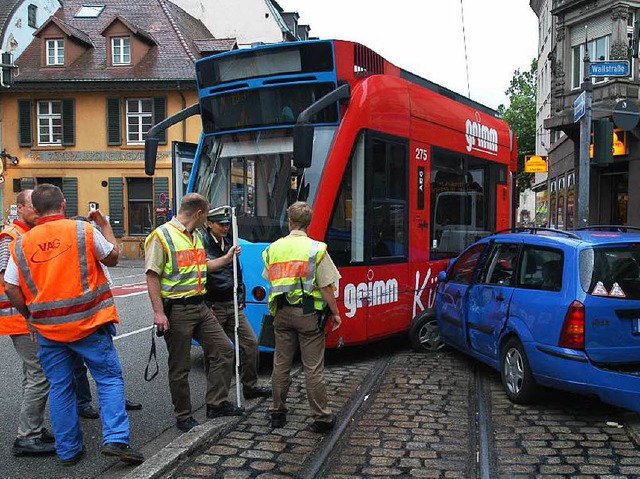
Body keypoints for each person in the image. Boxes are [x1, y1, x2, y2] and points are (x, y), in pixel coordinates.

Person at [4, 184, 144, 467]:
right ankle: (116, 439)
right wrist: (105, 226)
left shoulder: (20, 243)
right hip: (89, 323)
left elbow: (10, 286)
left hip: (48, 330)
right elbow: (113, 258)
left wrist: (30, 316)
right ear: (63, 204)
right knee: (108, 379)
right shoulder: (83, 231)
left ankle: (68, 450)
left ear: (37, 209)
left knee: (60, 387)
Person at [144, 193, 244, 433]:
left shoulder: (195, 236)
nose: (206, 221)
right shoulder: (162, 236)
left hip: (201, 306)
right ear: (199, 214)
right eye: (206, 216)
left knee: (224, 350)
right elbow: (151, 275)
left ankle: (216, 403)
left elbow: (202, 265)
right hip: (177, 310)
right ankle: (183, 415)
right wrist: (159, 313)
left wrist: (226, 258)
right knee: (180, 367)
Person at [262, 201, 342, 432]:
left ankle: (277, 413)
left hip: (282, 313)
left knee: (281, 364)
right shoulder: (316, 249)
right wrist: (336, 314)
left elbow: (270, 278)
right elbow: (327, 287)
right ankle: (322, 418)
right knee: (313, 368)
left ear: (289, 221)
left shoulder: (272, 249)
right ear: (309, 223)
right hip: (308, 315)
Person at [0, 189, 55, 456]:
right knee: (40, 374)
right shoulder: (11, 236)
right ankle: (27, 436)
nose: (37, 210)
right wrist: (30, 315)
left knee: (31, 375)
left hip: (22, 316)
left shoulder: (26, 234)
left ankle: (33, 427)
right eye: (33, 205)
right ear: (20, 208)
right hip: (20, 318)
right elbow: (8, 280)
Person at [71, 216, 142, 420]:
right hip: (84, 318)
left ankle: (114, 400)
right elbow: (114, 254)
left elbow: (110, 251)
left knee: (107, 364)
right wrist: (104, 225)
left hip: (99, 316)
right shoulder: (78, 254)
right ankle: (84, 403)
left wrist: (104, 226)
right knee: (80, 365)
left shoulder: (93, 249)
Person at [201, 206, 271, 400]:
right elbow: (204, 271)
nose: (225, 228)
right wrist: (206, 305)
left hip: (231, 303)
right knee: (216, 353)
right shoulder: (202, 243)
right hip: (214, 305)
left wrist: (240, 296)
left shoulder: (229, 240)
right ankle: (217, 399)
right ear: (210, 224)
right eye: (221, 224)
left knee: (250, 344)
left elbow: (236, 271)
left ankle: (250, 386)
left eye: (227, 224)